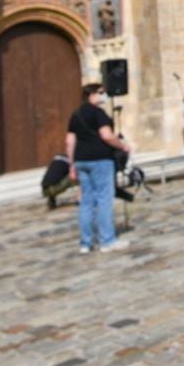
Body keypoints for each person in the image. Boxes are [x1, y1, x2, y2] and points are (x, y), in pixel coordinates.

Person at [67, 82, 130, 253]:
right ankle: (106, 240)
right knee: (104, 199)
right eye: (101, 92)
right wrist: (122, 145)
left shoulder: (76, 114)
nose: (104, 96)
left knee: (86, 201)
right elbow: (106, 135)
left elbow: (70, 141)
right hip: (100, 159)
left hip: (81, 160)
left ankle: (86, 242)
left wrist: (71, 164)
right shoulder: (98, 113)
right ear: (92, 94)